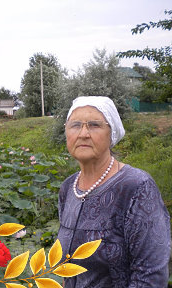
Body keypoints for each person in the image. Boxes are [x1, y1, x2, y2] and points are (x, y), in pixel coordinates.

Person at [57, 96, 171, 288]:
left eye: (94, 125)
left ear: (112, 133)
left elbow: (151, 276)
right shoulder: (68, 188)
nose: (83, 133)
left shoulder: (136, 187)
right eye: (75, 125)